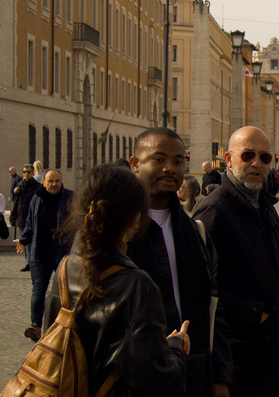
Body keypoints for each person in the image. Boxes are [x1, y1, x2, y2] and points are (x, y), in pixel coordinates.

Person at [43, 164, 189, 396]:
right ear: (133, 217)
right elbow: (158, 379)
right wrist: (175, 349)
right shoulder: (138, 286)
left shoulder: (66, 267)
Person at [194, 127, 279, 396]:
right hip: (242, 364)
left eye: (265, 157)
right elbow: (201, 290)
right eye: (248, 155)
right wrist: (258, 315)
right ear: (229, 160)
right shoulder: (213, 213)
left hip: (278, 359)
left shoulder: (263, 205)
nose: (257, 163)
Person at [127, 127, 233, 397]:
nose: (170, 169)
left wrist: (220, 377)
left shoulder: (195, 231)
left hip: (192, 373)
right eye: (159, 159)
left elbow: (213, 308)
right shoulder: (114, 232)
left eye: (177, 161)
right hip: (132, 376)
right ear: (135, 165)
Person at [15, 169, 72, 341]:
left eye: (57, 181)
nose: (54, 184)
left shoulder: (70, 198)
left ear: (61, 181)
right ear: (44, 182)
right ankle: (36, 327)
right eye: (50, 181)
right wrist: (23, 241)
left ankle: (66, 326)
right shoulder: (37, 197)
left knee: (66, 291)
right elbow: (30, 224)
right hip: (40, 253)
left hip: (62, 253)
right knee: (38, 290)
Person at [10, 164, 42, 271]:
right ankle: (28, 262)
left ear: (33, 173)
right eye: (24, 172)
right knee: (23, 241)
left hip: (33, 217)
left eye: (28, 172)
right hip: (22, 217)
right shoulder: (20, 185)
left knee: (32, 241)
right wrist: (14, 193)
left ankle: (32, 262)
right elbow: (16, 201)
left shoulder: (36, 186)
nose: (26, 174)